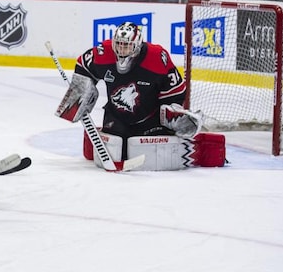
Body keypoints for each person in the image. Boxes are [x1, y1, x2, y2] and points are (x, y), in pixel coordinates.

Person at [55, 22, 223, 171]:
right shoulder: (103, 52)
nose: (122, 50)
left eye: (127, 46)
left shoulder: (156, 57)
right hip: (116, 115)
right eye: (119, 45)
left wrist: (172, 113)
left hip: (150, 118)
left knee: (143, 146)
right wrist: (80, 93)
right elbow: (83, 65)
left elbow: (176, 91)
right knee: (116, 147)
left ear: (137, 45)